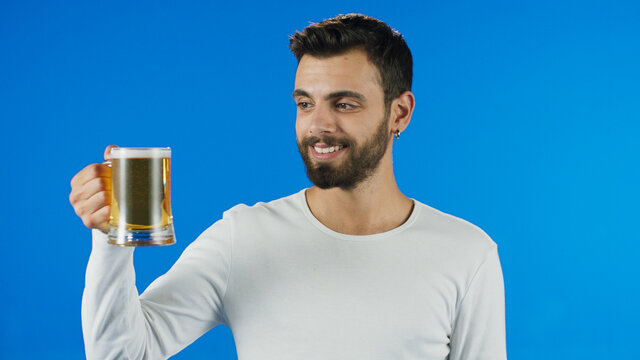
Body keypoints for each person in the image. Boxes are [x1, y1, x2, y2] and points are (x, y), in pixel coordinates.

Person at [70, 14, 506, 360]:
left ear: (400, 113)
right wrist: (112, 239)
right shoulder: (244, 238)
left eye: (344, 103)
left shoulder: (467, 253)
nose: (318, 125)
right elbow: (122, 356)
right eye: (304, 103)